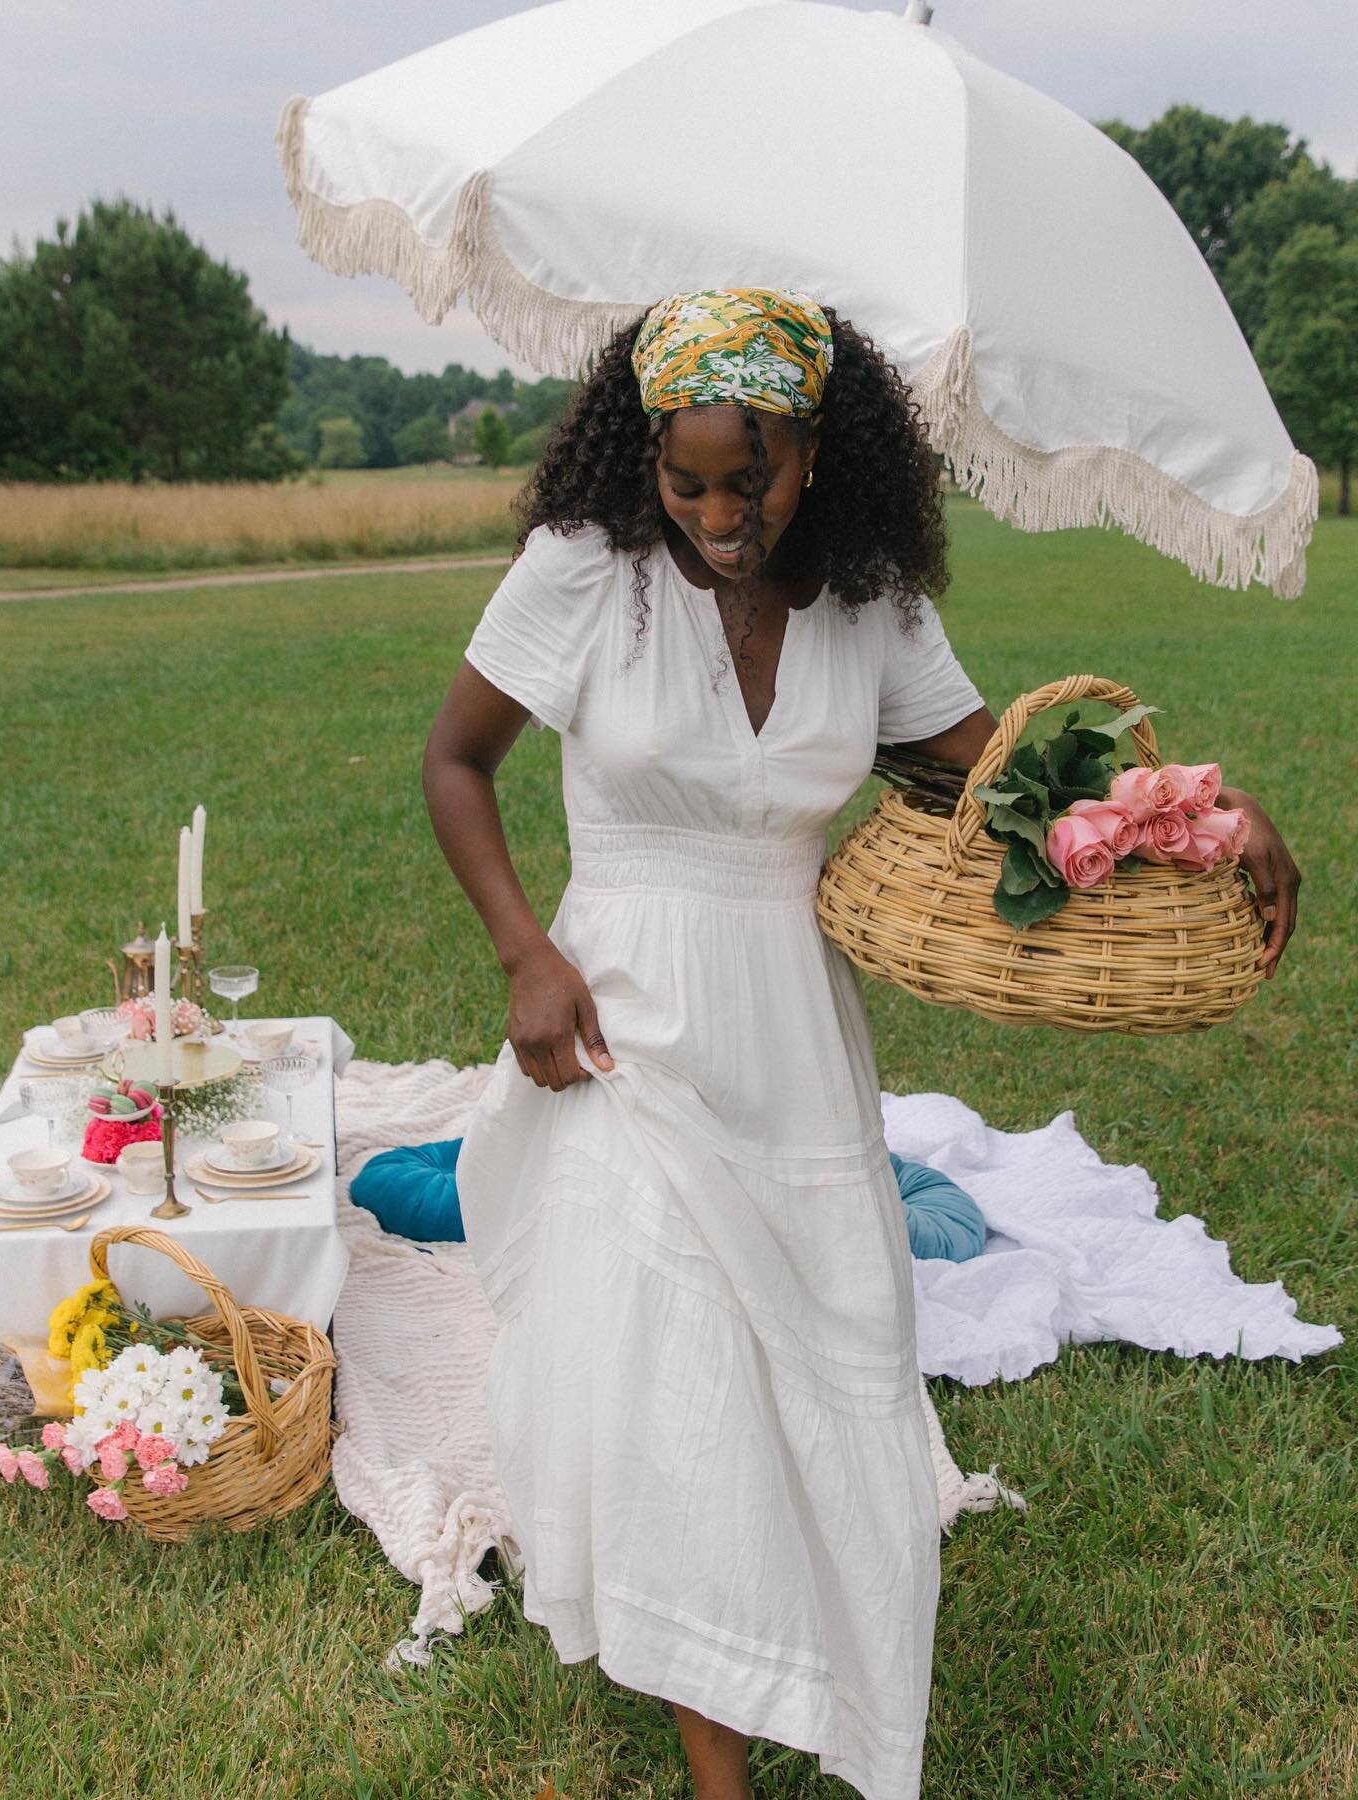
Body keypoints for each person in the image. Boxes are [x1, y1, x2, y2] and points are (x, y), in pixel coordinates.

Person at [421, 288, 1299, 1800]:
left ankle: (803, 1635)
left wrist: (1204, 809)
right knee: (673, 1367)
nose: (714, 512)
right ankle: (720, 1759)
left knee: (818, 1352)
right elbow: (454, 762)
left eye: (745, 479)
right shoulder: (581, 574)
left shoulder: (872, 600)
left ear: (814, 451)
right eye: (683, 481)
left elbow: (1013, 769)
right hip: (622, 1014)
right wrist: (527, 955)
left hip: (790, 1019)